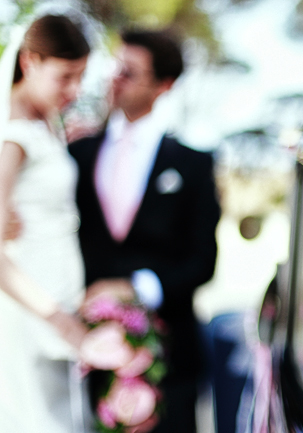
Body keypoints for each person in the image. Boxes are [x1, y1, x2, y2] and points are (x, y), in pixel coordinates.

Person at [68, 29, 221, 433]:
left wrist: (136, 289)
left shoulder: (193, 165)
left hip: (171, 362)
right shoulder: (76, 155)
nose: (114, 79)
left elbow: (203, 261)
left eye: (129, 72)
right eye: (115, 69)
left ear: (163, 85)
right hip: (88, 359)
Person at [0, 14, 92, 432]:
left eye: (81, 77)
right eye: (65, 77)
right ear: (29, 62)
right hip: (31, 313)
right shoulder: (14, 136)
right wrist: (59, 320)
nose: (74, 91)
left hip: (60, 304)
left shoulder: (46, 125)